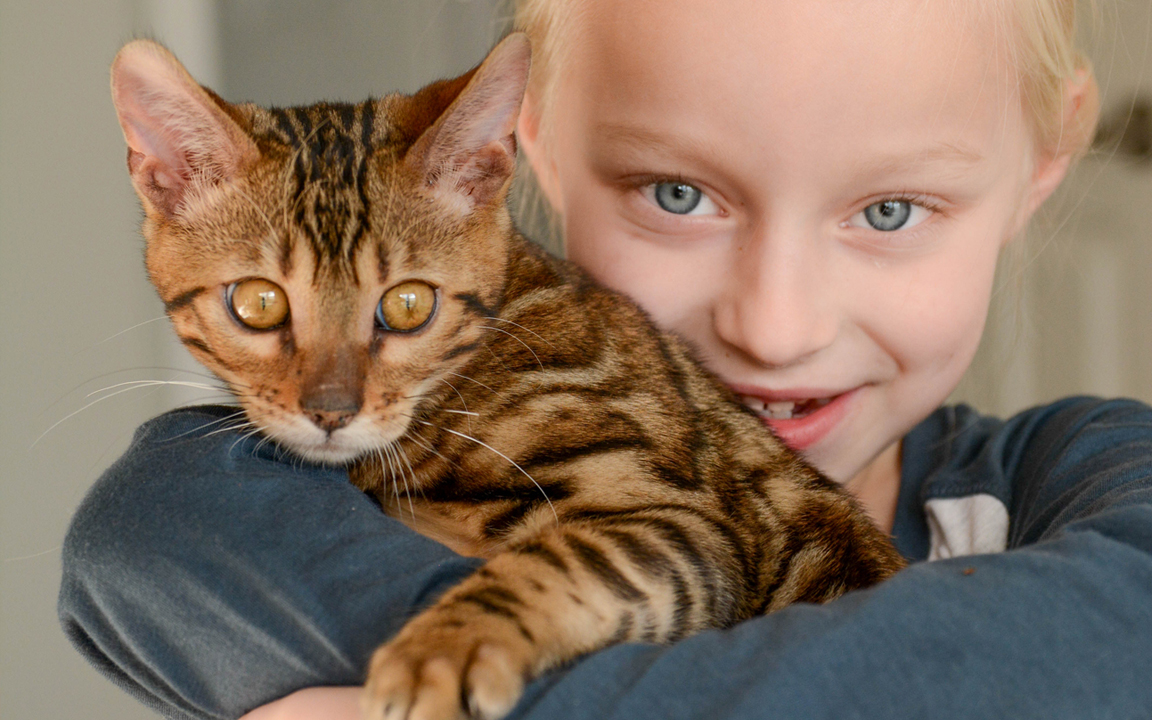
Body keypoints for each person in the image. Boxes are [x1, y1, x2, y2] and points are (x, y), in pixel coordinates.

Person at [60, 1, 1152, 719]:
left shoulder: (1093, 480)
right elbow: (141, 537)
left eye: (893, 206)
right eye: (676, 192)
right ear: (524, 146)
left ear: (1047, 164)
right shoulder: (216, 489)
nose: (775, 328)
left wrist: (444, 676)